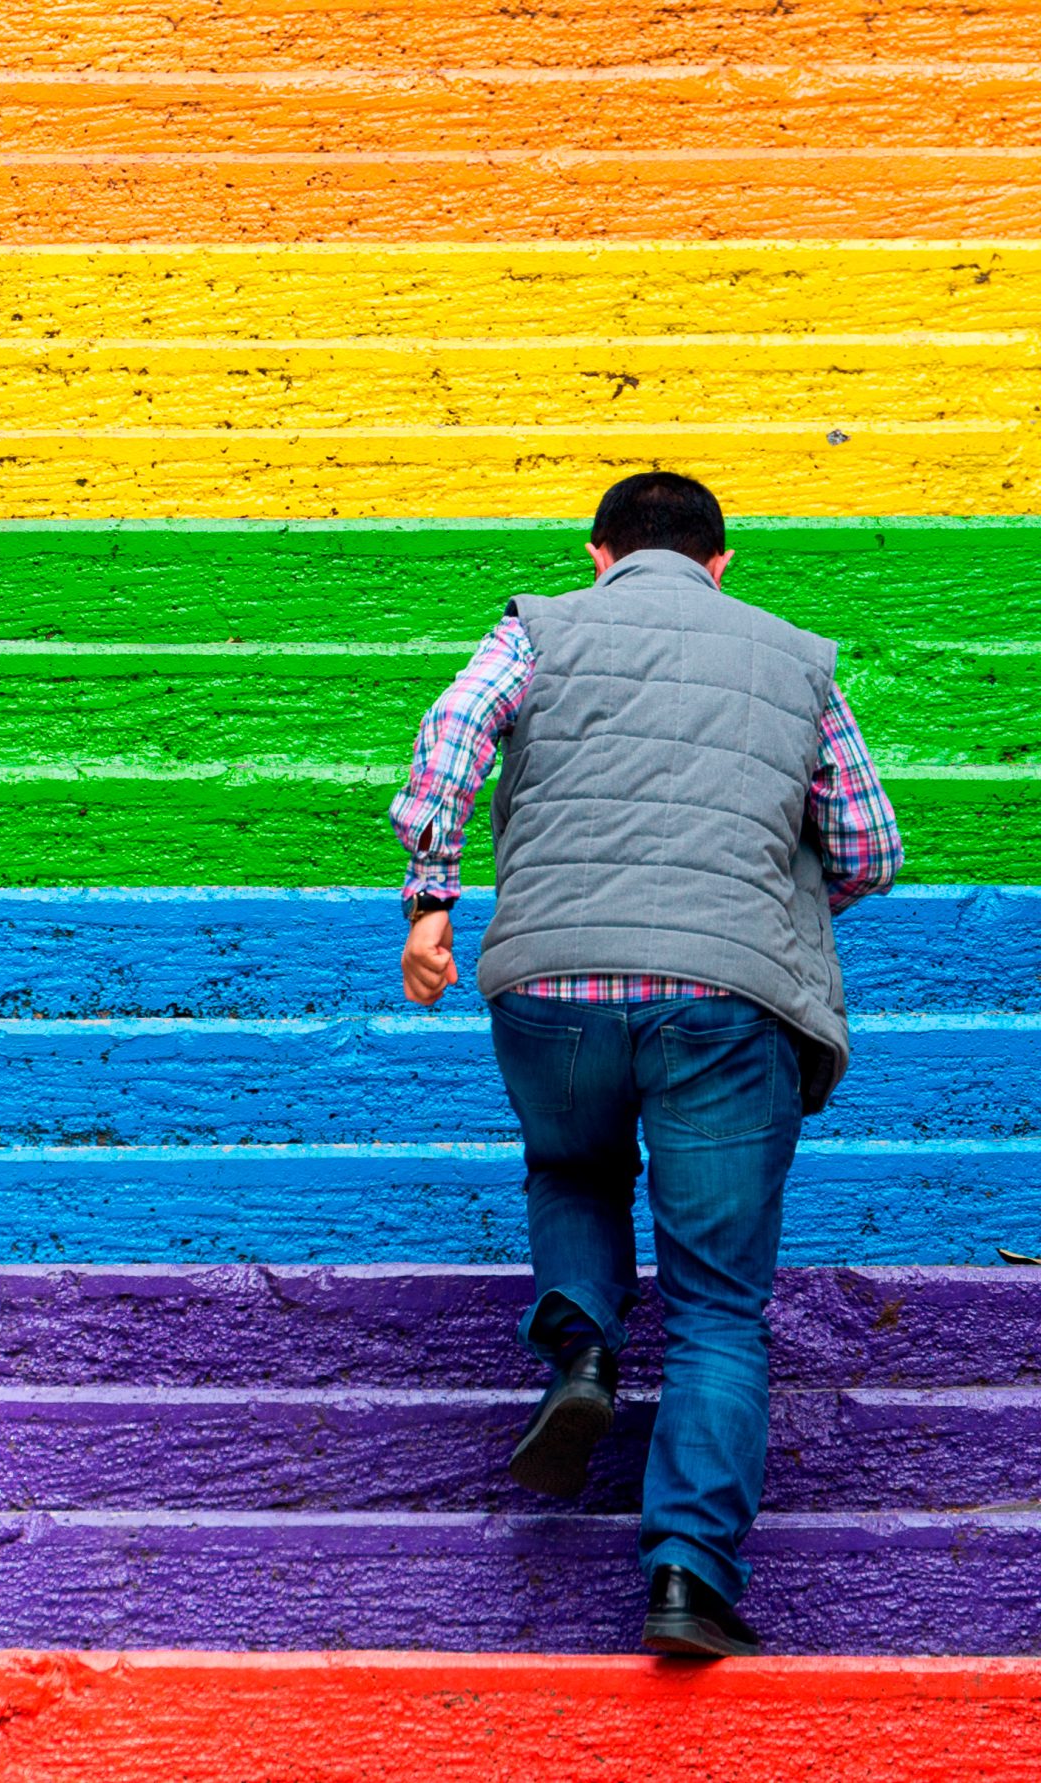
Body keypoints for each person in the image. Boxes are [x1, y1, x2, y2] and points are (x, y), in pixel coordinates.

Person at [390, 471, 902, 1657]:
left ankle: (579, 1343)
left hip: (552, 978)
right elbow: (871, 847)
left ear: (597, 553)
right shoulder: (795, 659)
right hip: (729, 1003)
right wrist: (754, 907)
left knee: (571, 1168)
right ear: (723, 562)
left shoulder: (540, 626)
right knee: (721, 1308)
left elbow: (453, 734)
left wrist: (431, 900)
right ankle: (686, 1579)